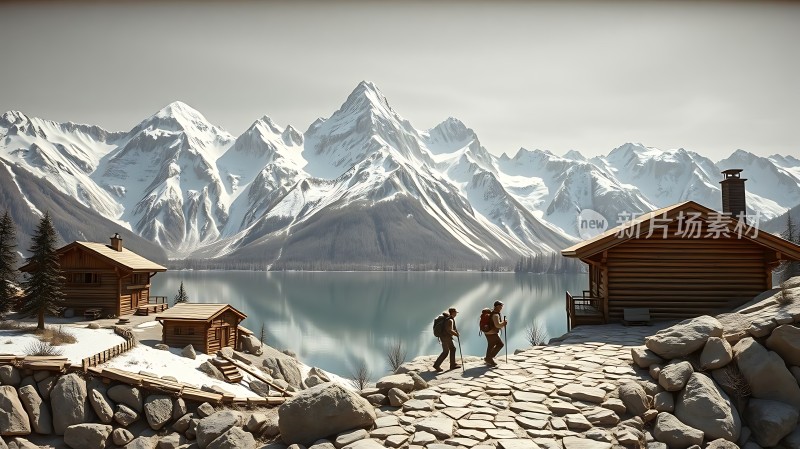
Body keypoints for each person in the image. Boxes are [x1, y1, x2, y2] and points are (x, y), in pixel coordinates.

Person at [433, 307, 461, 372]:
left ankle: (437, 365)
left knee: (447, 350)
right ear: (453, 313)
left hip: (443, 337)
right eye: (455, 313)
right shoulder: (450, 320)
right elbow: (449, 330)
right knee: (450, 350)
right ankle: (452, 365)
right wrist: (456, 334)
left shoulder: (446, 319)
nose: (456, 314)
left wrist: (455, 332)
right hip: (446, 337)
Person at [484, 300, 508, 366]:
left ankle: (488, 358)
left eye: (502, 306)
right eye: (500, 306)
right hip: (492, 333)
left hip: (487, 332)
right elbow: (497, 325)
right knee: (500, 344)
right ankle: (489, 358)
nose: (501, 307)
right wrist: (504, 323)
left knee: (491, 345)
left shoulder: (492, 313)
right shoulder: (495, 315)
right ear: (497, 306)